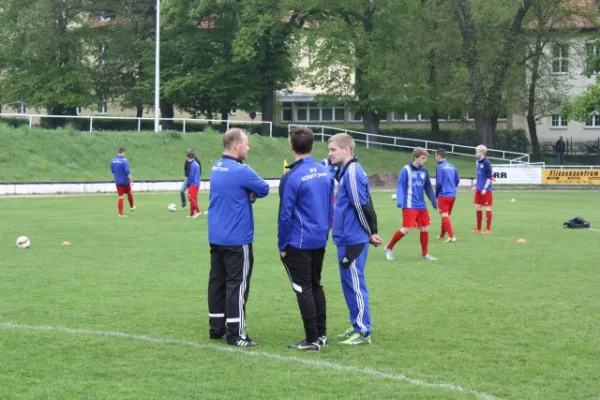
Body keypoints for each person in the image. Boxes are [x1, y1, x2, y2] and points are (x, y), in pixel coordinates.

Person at [207, 128, 270, 347]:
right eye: (246, 143)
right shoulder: (240, 170)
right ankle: (236, 333)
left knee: (217, 282)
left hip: (216, 235)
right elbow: (263, 188)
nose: (248, 147)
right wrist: (249, 194)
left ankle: (216, 327)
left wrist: (245, 194)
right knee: (238, 283)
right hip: (237, 237)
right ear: (236, 145)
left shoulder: (217, 167)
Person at [279, 127, 334, 351]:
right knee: (315, 285)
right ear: (312, 146)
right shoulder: (325, 172)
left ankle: (312, 339)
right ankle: (321, 334)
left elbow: (285, 215)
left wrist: (282, 245)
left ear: (292, 147)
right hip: (319, 238)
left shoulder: (291, 177)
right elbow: (331, 207)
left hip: (299, 241)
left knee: (303, 288)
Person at [328, 133, 382, 345]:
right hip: (346, 237)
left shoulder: (352, 172)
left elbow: (362, 205)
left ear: (347, 150)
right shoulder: (346, 171)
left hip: (353, 239)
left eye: (333, 149)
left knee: (355, 283)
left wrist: (370, 232)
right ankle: (356, 324)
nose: (330, 154)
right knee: (349, 283)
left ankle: (363, 331)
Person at [384, 147, 438, 261]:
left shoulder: (424, 171)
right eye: (423, 158)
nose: (425, 160)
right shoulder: (406, 170)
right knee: (406, 229)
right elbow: (400, 186)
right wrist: (400, 200)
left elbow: (428, 187)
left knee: (424, 229)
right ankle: (388, 248)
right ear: (415, 158)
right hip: (409, 205)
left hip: (421, 205)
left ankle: (425, 254)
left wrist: (433, 200)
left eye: (425, 158)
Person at [435, 149, 460, 243]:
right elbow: (457, 180)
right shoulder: (452, 166)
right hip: (452, 195)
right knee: (445, 215)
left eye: (435, 156)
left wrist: (436, 194)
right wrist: (452, 188)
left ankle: (452, 236)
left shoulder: (440, 167)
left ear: (438, 156)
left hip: (443, 194)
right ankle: (441, 235)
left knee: (444, 215)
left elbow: (439, 183)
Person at [473, 145, 493, 234]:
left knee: (487, 208)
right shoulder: (477, 161)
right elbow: (478, 175)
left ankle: (488, 229)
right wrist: (475, 185)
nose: (475, 153)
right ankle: (478, 228)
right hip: (478, 189)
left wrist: (485, 188)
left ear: (482, 152)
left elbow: (489, 177)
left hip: (486, 190)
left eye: (477, 151)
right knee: (477, 207)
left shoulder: (487, 163)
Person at [110, 147, 135, 217]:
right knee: (129, 193)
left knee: (121, 197)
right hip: (125, 181)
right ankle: (132, 206)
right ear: (123, 152)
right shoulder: (124, 161)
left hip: (118, 182)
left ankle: (120, 213)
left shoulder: (113, 161)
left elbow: (113, 171)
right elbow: (127, 172)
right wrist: (131, 180)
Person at [185, 151, 202, 219]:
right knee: (192, 198)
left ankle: (198, 211)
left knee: (190, 197)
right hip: (197, 183)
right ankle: (191, 214)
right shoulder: (196, 164)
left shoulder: (192, 165)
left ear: (189, 158)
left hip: (193, 183)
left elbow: (191, 175)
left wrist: (188, 184)